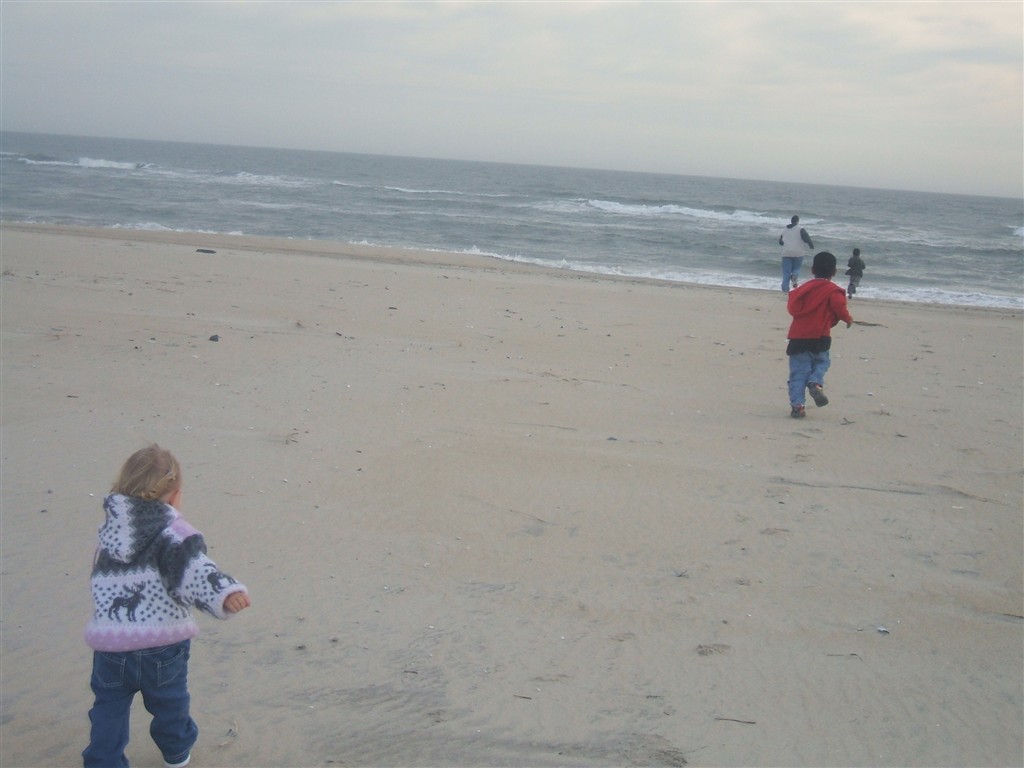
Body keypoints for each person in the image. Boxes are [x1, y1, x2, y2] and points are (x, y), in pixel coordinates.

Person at [83, 444, 251, 768]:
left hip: (110, 647)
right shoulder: (173, 533)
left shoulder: (109, 534)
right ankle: (176, 755)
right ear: (174, 496)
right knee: (170, 704)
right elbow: (194, 570)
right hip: (161, 646)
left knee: (108, 710)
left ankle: (104, 760)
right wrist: (225, 592)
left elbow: (99, 580)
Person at [785, 251, 853, 418]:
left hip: (798, 338)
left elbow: (792, 304)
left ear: (813, 270)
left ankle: (798, 406)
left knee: (798, 373)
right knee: (822, 362)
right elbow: (839, 307)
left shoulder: (802, 290)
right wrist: (847, 318)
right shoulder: (833, 291)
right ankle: (815, 383)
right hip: (821, 336)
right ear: (834, 272)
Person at [778, 215, 814, 293]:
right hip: (798, 253)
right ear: (797, 221)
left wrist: (787, 242)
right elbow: (807, 238)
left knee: (786, 272)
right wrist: (811, 245)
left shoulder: (785, 229)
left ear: (791, 221)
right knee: (796, 268)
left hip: (786, 253)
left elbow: (780, 242)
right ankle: (794, 275)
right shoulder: (800, 229)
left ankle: (785, 289)